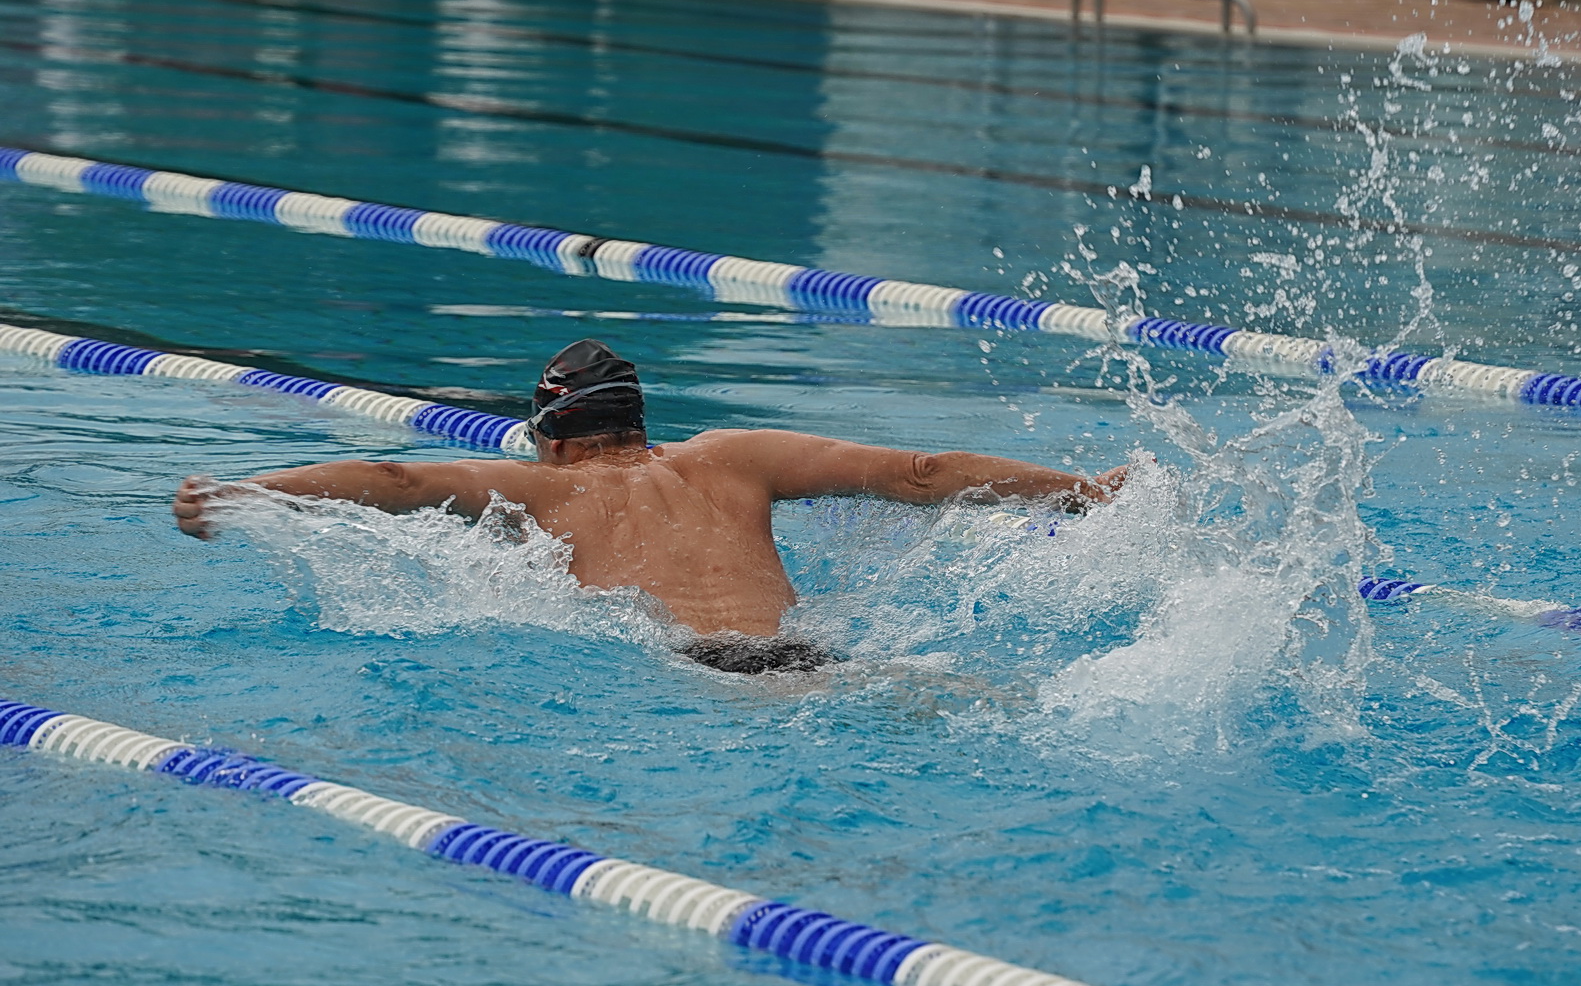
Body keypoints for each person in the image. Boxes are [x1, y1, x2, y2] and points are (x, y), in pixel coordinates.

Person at [174, 340, 1129, 674]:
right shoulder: (733, 457)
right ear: (643, 422)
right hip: (819, 650)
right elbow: (920, 472)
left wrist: (245, 493)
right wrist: (1085, 494)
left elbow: (395, 481)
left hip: (697, 675)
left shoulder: (541, 488)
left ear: (548, 435)